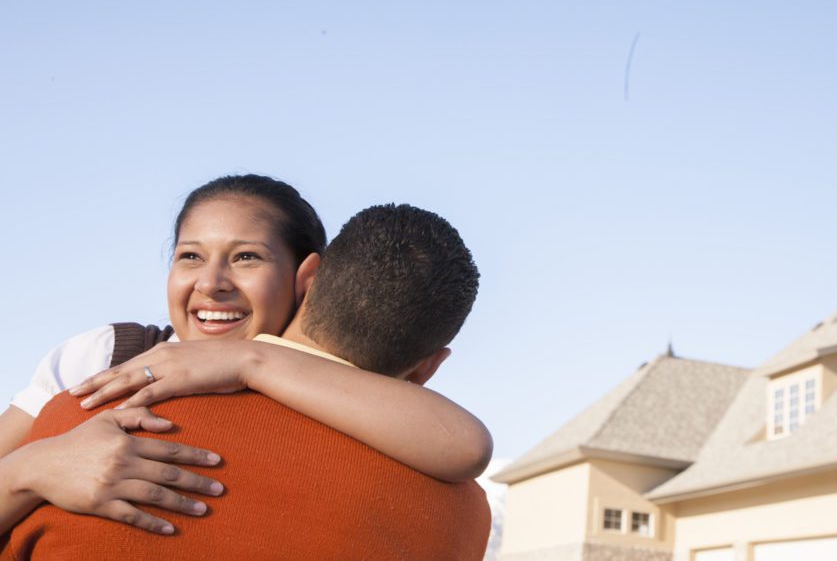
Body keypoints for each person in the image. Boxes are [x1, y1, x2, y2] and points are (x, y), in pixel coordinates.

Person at [0, 176, 491, 534]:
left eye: (246, 257)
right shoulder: (106, 355)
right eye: (190, 256)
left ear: (307, 282)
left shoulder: (347, 399)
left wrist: (251, 360)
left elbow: (464, 444)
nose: (211, 283)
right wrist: (32, 470)